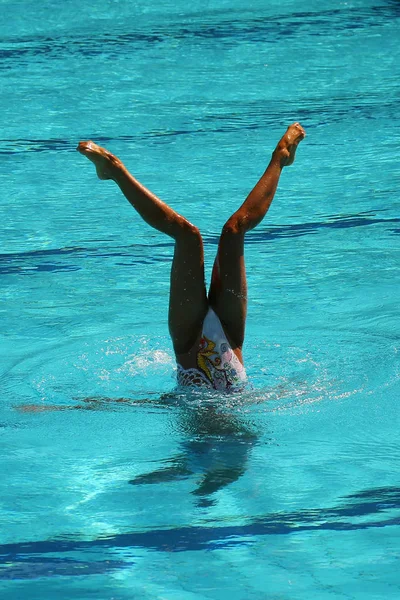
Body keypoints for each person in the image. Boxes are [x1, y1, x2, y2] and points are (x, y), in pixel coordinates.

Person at [77, 122, 305, 392]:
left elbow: (129, 405)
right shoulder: (243, 407)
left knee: (187, 235)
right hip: (229, 336)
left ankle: (114, 171)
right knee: (234, 229)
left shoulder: (186, 405)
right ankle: (280, 157)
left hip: (188, 341)